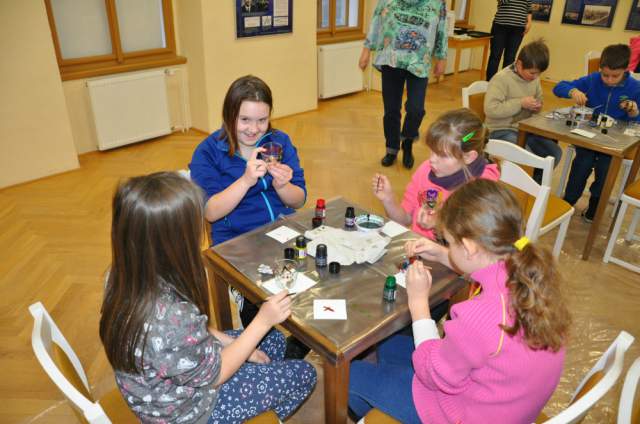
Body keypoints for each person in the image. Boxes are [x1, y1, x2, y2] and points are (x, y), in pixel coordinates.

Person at [99, 172, 316, 424]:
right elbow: (216, 374)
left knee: (274, 341)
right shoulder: (170, 316)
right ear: (171, 242)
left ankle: (262, 390)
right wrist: (262, 321)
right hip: (189, 412)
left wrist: (239, 344)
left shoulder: (122, 275)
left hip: (160, 389)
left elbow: (188, 333)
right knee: (305, 373)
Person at [349, 179, 570, 423]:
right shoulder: (530, 275)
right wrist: (443, 254)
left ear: (468, 247)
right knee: (389, 342)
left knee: (351, 375)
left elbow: (433, 374)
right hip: (504, 404)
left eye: (448, 242)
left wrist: (419, 303)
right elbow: (481, 267)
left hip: (460, 412)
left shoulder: (478, 315)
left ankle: (372, 416)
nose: (447, 247)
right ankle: (383, 399)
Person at [189, 75, 309, 359]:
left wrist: (282, 185)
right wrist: (245, 181)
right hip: (238, 242)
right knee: (260, 318)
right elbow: (210, 211)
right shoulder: (209, 151)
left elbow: (299, 199)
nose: (254, 129)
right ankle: (262, 337)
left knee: (318, 288)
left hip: (283, 231)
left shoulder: (279, 142)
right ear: (229, 115)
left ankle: (299, 344)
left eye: (262, 120)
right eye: (244, 120)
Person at [373, 108, 500, 241]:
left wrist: (440, 224)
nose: (432, 159)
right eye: (432, 151)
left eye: (442, 155)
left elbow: (472, 249)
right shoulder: (426, 169)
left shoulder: (483, 190)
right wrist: (388, 199)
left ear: (468, 157)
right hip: (419, 246)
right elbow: (405, 220)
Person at [553, 44, 640, 222]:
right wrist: (573, 91)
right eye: (605, 75)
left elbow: (637, 122)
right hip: (589, 137)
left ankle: (595, 204)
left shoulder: (635, 88)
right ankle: (569, 200)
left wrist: (634, 112)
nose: (609, 80)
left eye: (615, 76)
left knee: (606, 168)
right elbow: (559, 87)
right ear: (600, 69)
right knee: (582, 163)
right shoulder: (593, 79)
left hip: (615, 142)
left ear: (626, 70)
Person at [358, 0, 448, 169]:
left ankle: (407, 141)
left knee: (416, 109)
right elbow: (376, 20)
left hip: (420, 61)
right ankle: (391, 149)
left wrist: (442, 57)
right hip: (391, 58)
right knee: (391, 110)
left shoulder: (438, 2)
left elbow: (442, 29)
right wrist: (366, 50)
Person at [485, 39, 562, 182]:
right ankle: (525, 184)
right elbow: (491, 109)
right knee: (528, 158)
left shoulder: (533, 78)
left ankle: (534, 185)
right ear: (519, 64)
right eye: (532, 73)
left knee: (555, 153)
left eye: (539, 74)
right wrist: (520, 103)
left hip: (524, 129)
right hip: (500, 130)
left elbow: (539, 99)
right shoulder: (501, 79)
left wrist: (537, 106)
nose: (535, 77)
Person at [486, 0, 532, 82]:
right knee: (495, 56)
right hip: (500, 25)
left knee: (510, 58)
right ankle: (490, 83)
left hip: (518, 28)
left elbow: (529, 7)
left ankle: (505, 84)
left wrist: (529, 22)